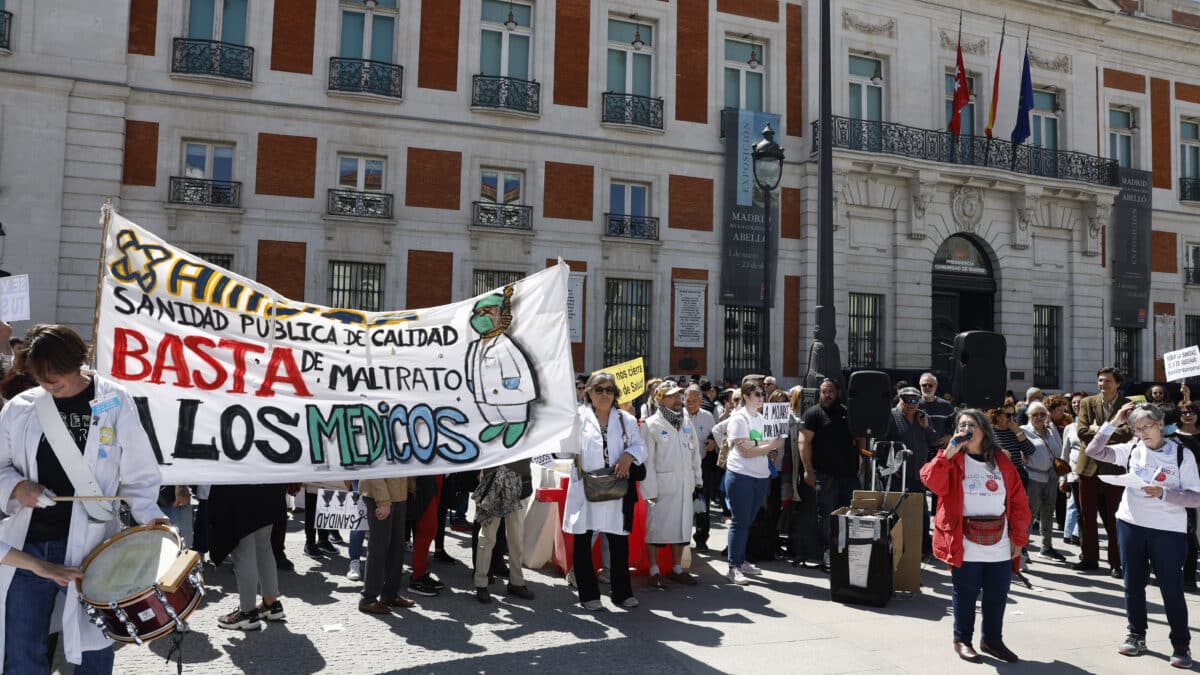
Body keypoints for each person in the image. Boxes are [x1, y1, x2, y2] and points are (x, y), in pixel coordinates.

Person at [0, 324, 168, 671]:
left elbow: (138, 467)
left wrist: (148, 514)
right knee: (21, 647)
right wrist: (17, 487)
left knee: (95, 647)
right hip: (28, 547)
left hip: (95, 549)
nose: (49, 386)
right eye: (41, 380)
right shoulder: (20, 408)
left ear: (78, 363)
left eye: (55, 377)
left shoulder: (113, 399)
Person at [1084, 402, 1200, 668]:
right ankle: (1136, 635)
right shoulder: (1133, 448)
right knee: (1133, 584)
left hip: (1168, 531)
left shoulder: (1182, 455)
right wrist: (1114, 421)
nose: (1142, 433)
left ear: (1160, 425)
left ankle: (1181, 644)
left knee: (1171, 588)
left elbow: (1196, 498)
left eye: (1147, 427)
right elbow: (1094, 450)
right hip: (1130, 523)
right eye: (1136, 429)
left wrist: (1164, 493)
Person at [921, 409, 1030, 664]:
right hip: (965, 539)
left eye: (971, 424)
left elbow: (1018, 500)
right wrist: (947, 454)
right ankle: (963, 639)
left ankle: (992, 640)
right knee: (966, 593)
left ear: (983, 430)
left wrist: (1019, 538)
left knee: (997, 594)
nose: (966, 429)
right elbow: (931, 482)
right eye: (961, 425)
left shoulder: (1001, 459)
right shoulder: (953, 459)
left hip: (999, 539)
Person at [562, 372, 646, 610]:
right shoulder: (576, 418)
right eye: (599, 389)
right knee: (583, 540)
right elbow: (564, 452)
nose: (605, 394)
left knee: (618, 542)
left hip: (616, 488)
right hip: (586, 486)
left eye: (609, 390)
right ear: (589, 392)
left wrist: (630, 455)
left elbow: (641, 446)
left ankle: (621, 593)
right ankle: (589, 595)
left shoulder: (625, 420)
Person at [642, 382, 703, 588]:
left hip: (685, 485)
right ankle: (654, 570)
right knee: (656, 529)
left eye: (679, 395)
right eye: (672, 396)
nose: (678, 399)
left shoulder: (686, 421)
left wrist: (697, 478)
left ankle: (677, 569)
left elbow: (694, 452)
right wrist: (649, 489)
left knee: (682, 528)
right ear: (660, 398)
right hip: (662, 486)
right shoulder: (651, 424)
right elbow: (647, 461)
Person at [798, 378, 863, 570]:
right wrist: (808, 470)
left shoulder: (848, 413)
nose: (826, 395)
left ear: (838, 393)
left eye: (830, 391)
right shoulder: (813, 414)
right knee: (826, 516)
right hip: (824, 475)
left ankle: (847, 552)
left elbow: (860, 438)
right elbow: (803, 443)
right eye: (823, 392)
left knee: (850, 515)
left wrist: (863, 462)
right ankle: (829, 551)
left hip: (849, 475)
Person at [724, 380, 783, 584]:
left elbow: (769, 445)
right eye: (757, 394)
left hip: (759, 476)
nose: (761, 398)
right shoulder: (738, 419)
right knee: (740, 521)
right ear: (746, 396)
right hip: (741, 475)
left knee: (748, 521)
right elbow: (746, 451)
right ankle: (733, 566)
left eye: (762, 394)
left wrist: (773, 446)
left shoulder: (761, 418)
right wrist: (769, 446)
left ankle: (741, 560)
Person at [1075, 367, 1132, 577]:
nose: (1102, 385)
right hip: (1088, 467)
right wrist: (1106, 431)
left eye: (1107, 381)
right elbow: (1082, 432)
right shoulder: (1087, 403)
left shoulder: (1128, 405)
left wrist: (1099, 430)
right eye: (1100, 381)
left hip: (1114, 467)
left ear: (1117, 383)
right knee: (1086, 515)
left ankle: (1117, 562)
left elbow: (1128, 433)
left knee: (1115, 516)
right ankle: (1089, 558)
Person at [210, 483, 289, 630]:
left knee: (243, 549)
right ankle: (271, 604)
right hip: (267, 485)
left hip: (239, 487)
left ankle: (247, 612)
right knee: (263, 546)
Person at [884, 386, 941, 557]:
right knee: (898, 513)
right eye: (906, 400)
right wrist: (890, 468)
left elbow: (933, 442)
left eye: (914, 401)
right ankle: (896, 548)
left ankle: (923, 548)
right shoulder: (891, 416)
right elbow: (882, 444)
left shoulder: (922, 417)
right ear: (899, 399)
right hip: (898, 474)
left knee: (921, 514)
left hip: (919, 474)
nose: (910, 404)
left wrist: (926, 427)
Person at [473, 459, 535, 603]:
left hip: (520, 479)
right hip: (493, 481)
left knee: (516, 537)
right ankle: (481, 582)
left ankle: (516, 582)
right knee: (487, 537)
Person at [357, 475, 415, 614]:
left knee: (396, 548)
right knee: (378, 548)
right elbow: (373, 468)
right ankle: (368, 598)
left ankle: (390, 594)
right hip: (380, 496)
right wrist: (382, 501)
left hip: (398, 495)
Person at [1021, 402, 1067, 562]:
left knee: (1048, 512)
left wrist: (1062, 476)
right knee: (1030, 514)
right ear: (1029, 416)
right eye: (1035, 414)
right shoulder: (1023, 431)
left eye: (1042, 414)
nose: (1039, 417)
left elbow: (1060, 451)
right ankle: (1022, 548)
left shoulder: (1051, 431)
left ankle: (1046, 547)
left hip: (1051, 477)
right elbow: (1021, 453)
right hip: (1033, 477)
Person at [684, 385, 718, 552]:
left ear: (700, 401)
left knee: (702, 504)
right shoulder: (678, 416)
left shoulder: (708, 416)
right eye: (688, 400)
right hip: (682, 466)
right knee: (683, 505)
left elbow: (715, 436)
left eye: (694, 400)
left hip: (703, 465)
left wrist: (713, 442)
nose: (691, 404)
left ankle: (701, 538)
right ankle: (682, 540)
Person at [1173, 402, 1200, 591]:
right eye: (1183, 412)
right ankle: (1181, 575)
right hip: (1177, 490)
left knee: (1194, 534)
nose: (1187, 415)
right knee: (1181, 533)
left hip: (1197, 491)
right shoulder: (1171, 437)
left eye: (1191, 412)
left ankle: (1189, 576)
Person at [1059, 392, 1089, 546]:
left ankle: (1078, 533)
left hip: (1090, 473)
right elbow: (1064, 452)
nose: (1076, 404)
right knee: (1072, 503)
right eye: (1074, 402)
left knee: (1085, 507)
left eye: (1080, 402)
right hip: (1072, 472)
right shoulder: (1069, 427)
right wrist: (1062, 477)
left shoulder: (1095, 424)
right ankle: (1069, 533)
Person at [918, 373, 956, 439]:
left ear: (935, 386)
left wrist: (950, 436)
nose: (927, 387)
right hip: (919, 445)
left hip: (940, 446)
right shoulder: (914, 405)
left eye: (930, 385)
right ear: (920, 386)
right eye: (924, 385)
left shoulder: (946, 406)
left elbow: (955, 425)